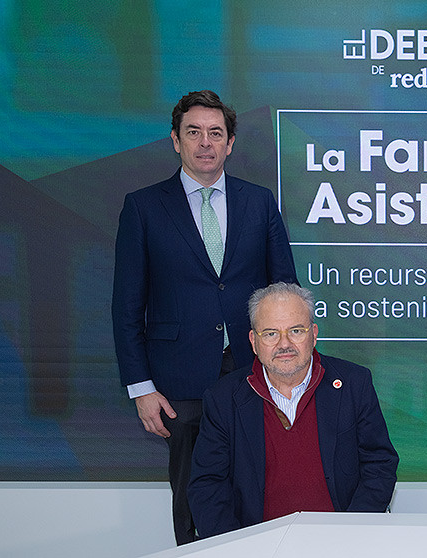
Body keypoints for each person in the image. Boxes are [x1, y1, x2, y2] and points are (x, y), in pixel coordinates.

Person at [112, 90, 298, 544]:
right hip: (179, 380)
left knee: (261, 487)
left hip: (256, 374)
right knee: (193, 497)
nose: (205, 142)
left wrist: (291, 373)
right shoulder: (144, 207)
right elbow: (126, 305)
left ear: (230, 143)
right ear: (175, 140)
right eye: (193, 132)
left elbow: (285, 293)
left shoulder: (259, 202)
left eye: (215, 133)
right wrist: (142, 389)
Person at [188, 282, 399, 538]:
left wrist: (351, 534)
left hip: (342, 541)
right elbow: (207, 486)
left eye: (296, 330)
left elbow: (380, 464)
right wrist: (238, 549)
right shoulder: (223, 399)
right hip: (257, 546)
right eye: (270, 333)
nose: (284, 344)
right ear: (254, 341)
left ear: (314, 334)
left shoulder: (354, 383)